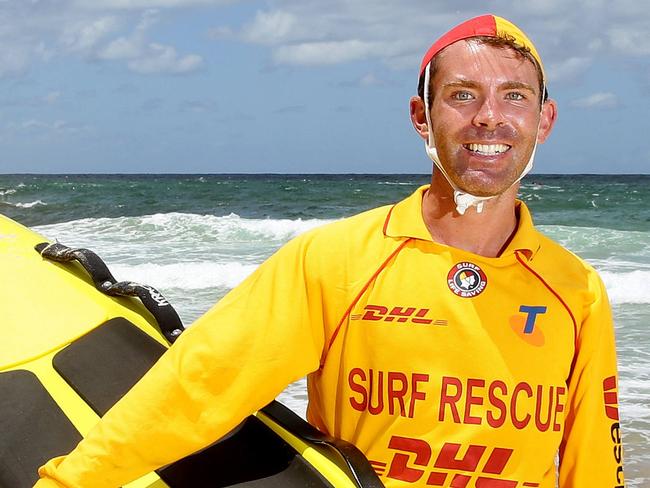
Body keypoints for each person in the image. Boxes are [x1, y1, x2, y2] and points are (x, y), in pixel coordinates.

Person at [37, 14, 625, 488]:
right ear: (422, 117)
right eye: (463, 95)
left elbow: (593, 463)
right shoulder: (334, 261)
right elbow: (200, 385)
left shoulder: (575, 291)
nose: (490, 118)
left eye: (514, 97)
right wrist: (71, 482)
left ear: (543, 120)